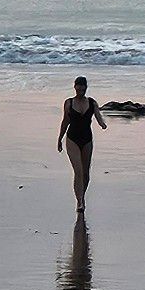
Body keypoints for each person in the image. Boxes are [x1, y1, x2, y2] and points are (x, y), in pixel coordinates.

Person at [56, 76, 108, 212]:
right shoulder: (69, 103)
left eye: (82, 87)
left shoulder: (92, 102)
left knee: (86, 173)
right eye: (78, 87)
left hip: (87, 139)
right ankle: (79, 201)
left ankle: (82, 196)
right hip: (72, 139)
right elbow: (65, 121)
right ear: (75, 87)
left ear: (86, 87)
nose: (80, 89)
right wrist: (59, 139)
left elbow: (98, 116)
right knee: (78, 171)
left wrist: (102, 124)